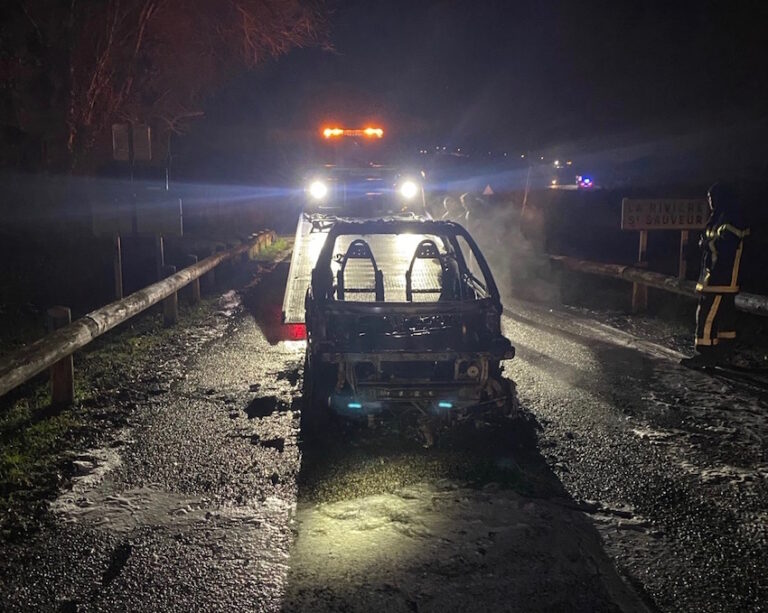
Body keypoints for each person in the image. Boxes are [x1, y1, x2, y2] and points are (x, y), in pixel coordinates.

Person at [681, 183, 750, 368]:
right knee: (724, 317)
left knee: (707, 315)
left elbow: (726, 246)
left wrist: (704, 245)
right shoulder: (719, 217)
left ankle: (705, 354)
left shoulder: (731, 219)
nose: (710, 202)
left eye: (712, 198)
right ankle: (723, 353)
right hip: (716, 275)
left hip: (723, 276)